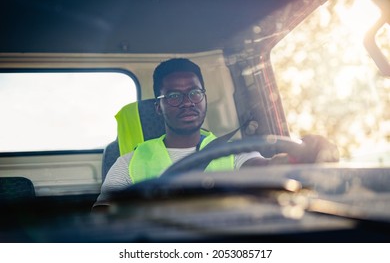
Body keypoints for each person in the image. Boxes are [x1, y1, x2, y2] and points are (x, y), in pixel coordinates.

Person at [93, 58, 338, 210]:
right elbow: (103, 217)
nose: (187, 102)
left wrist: (303, 156)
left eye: (194, 93)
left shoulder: (234, 152)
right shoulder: (128, 163)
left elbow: (267, 167)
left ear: (204, 97)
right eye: (174, 96)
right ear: (159, 106)